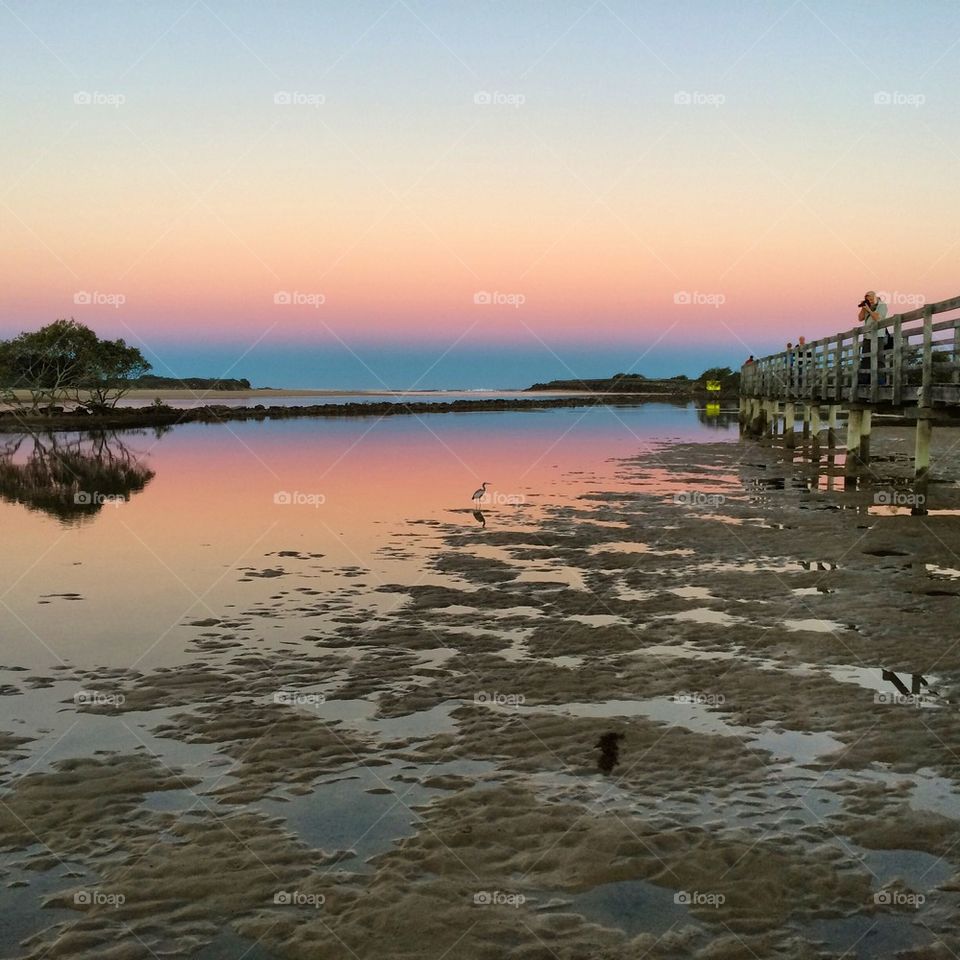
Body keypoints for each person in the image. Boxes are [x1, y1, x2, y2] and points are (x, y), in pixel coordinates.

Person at [858, 291, 889, 386]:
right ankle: (864, 382)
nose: (870, 301)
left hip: (878, 336)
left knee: (879, 358)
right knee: (866, 359)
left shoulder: (882, 306)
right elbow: (860, 318)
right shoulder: (868, 306)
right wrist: (864, 308)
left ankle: (880, 382)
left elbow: (878, 318)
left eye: (871, 299)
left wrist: (870, 310)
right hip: (867, 336)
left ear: (876, 297)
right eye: (868, 299)